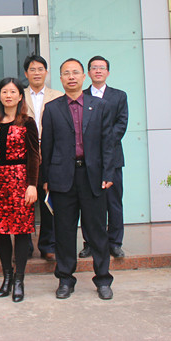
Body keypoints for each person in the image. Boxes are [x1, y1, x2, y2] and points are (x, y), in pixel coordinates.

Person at [41, 58, 116, 301]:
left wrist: (108, 173)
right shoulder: (52, 108)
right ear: (60, 79)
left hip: (92, 177)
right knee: (64, 231)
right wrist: (45, 178)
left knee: (97, 231)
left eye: (75, 72)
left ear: (84, 77)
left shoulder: (100, 106)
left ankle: (103, 279)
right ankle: (65, 279)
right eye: (66, 73)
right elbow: (47, 147)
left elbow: (108, 143)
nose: (71, 77)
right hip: (62, 178)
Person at [0, 78, 40, 302]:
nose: (9, 96)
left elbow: (34, 155)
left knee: (21, 232)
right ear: (0, 96)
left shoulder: (27, 123)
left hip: (20, 182)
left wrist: (32, 184)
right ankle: (7, 277)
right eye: (4, 92)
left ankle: (20, 279)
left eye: (13, 92)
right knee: (1, 231)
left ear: (20, 96)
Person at [80, 55, 129, 259]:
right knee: (88, 204)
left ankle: (115, 242)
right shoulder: (81, 96)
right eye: (94, 67)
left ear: (108, 72)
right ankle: (90, 243)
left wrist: (102, 143)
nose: (98, 71)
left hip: (112, 158)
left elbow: (121, 124)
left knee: (114, 202)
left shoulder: (119, 96)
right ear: (88, 73)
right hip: (87, 160)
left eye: (102, 67)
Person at [22, 54, 64, 262]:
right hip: (24, 155)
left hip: (51, 154)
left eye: (40, 69)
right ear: (26, 73)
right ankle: (25, 246)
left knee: (49, 201)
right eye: (32, 69)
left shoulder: (58, 96)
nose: (37, 73)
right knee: (25, 202)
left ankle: (48, 245)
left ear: (46, 72)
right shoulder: (18, 95)